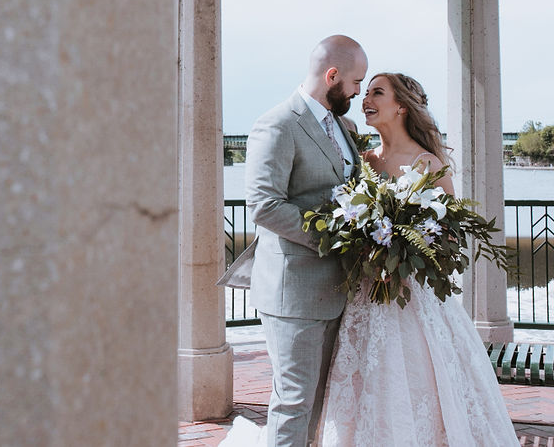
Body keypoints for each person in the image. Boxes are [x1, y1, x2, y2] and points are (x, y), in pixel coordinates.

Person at [220, 72, 519, 447]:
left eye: (377, 92)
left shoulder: (429, 163)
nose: (365, 99)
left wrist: (407, 251)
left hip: (412, 299)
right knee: (358, 383)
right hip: (361, 294)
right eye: (365, 91)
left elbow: (450, 234)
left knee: (416, 381)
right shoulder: (363, 161)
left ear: (401, 106)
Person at [221, 35, 368, 447]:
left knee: (319, 402)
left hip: (337, 289)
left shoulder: (343, 127)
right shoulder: (277, 124)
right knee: (293, 402)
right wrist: (337, 238)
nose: (358, 91)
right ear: (332, 75)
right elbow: (265, 206)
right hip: (294, 291)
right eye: (356, 82)